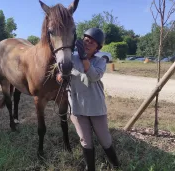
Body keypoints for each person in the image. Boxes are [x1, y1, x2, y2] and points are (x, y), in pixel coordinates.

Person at [57, 28, 119, 170]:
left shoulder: (100, 61)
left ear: (98, 47)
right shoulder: (71, 58)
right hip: (77, 107)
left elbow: (94, 76)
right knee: (85, 141)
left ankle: (116, 165)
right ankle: (90, 168)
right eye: (85, 40)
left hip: (96, 107)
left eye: (92, 42)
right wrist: (61, 77)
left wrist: (84, 58)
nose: (87, 44)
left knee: (105, 139)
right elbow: (59, 75)